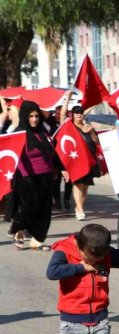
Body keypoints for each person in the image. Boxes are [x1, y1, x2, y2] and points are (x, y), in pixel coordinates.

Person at [9, 100, 58, 251]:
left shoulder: (43, 132)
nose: (34, 119)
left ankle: (37, 240)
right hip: (26, 176)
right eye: (31, 116)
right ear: (25, 116)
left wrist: (60, 169)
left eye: (37, 116)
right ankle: (17, 229)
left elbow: (52, 153)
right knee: (30, 206)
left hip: (46, 175)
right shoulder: (18, 133)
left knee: (44, 208)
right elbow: (12, 155)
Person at [64, 100, 102, 221]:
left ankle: (79, 207)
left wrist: (91, 131)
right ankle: (80, 210)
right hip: (76, 161)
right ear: (72, 115)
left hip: (89, 161)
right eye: (76, 112)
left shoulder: (88, 127)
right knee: (78, 185)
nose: (79, 114)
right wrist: (67, 98)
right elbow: (62, 115)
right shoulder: (70, 127)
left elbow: (97, 142)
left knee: (85, 187)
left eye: (81, 112)